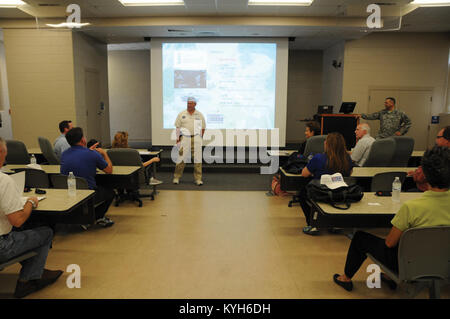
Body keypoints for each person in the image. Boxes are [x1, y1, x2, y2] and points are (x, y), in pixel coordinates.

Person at [333, 146, 450, 292]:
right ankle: (388, 278)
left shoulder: (411, 207)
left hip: (408, 266)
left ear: (425, 173)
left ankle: (345, 278)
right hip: (444, 265)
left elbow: (390, 243)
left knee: (361, 238)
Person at [0, 137, 63, 298]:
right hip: (2, 246)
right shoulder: (4, 181)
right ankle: (27, 281)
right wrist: (30, 202)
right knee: (45, 232)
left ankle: (36, 270)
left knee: (26, 233)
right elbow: (18, 220)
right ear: (1, 153)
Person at [300, 132, 354, 235]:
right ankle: (335, 224)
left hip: (321, 192)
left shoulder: (318, 158)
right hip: (340, 193)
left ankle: (312, 224)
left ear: (327, 144)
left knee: (302, 193)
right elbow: (349, 173)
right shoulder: (347, 158)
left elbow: (304, 174)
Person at [60, 127, 115, 228]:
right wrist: (104, 153)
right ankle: (96, 217)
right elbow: (109, 170)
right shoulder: (92, 154)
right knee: (110, 192)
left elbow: (80, 158)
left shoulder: (64, 154)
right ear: (83, 140)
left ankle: (83, 217)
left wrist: (89, 152)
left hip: (69, 193)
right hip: (87, 195)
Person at [173, 97, 206, 186]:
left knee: (197, 159)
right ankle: (176, 177)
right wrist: (177, 139)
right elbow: (178, 127)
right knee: (181, 158)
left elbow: (203, 128)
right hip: (185, 138)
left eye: (191, 103)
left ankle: (198, 179)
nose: (189, 105)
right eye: (188, 103)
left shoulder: (199, 115)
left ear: (195, 104)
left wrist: (200, 138)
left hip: (196, 138)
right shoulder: (182, 114)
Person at [408, 126, 450, 192]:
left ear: (447, 141)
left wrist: (417, 173)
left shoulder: (437, 156)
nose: (436, 140)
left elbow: (420, 178)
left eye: (438, 137)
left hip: (433, 192)